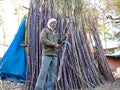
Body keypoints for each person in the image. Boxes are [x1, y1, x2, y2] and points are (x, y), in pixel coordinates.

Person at [35, 18, 68, 90]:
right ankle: (38, 88)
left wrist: (65, 37)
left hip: (54, 55)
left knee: (52, 73)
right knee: (43, 72)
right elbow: (43, 40)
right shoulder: (45, 30)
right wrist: (54, 45)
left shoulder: (56, 33)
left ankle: (50, 88)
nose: (54, 24)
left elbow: (60, 42)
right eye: (53, 23)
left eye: (55, 23)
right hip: (47, 54)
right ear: (49, 23)